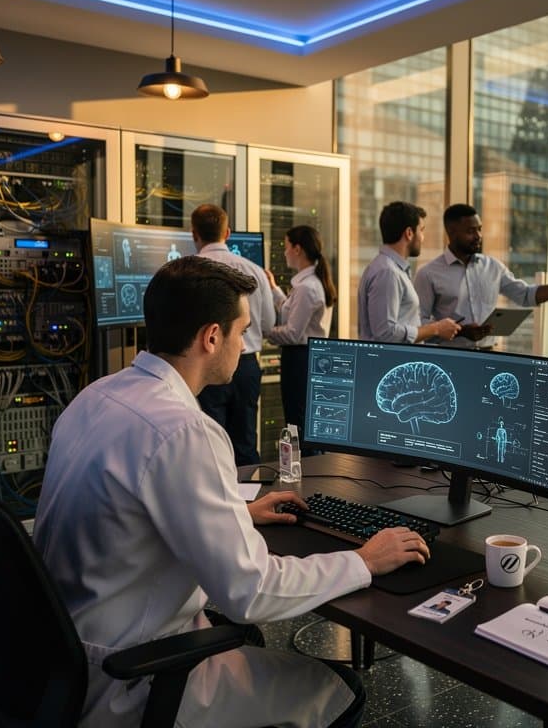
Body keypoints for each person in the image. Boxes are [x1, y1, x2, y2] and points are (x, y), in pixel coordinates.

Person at [34, 255, 430, 728]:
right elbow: (250, 591)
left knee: (246, 641)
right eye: (242, 332)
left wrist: (239, 511)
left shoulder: (97, 395)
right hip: (131, 676)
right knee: (339, 693)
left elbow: (131, 511)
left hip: (59, 657)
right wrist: (364, 560)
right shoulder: (184, 431)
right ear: (211, 337)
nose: (245, 345)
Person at [414, 203, 548, 349]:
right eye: (470, 231)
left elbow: (527, 296)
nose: (478, 236)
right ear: (452, 232)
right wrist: (461, 331)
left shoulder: (493, 267)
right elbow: (418, 325)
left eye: (479, 229)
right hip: (451, 358)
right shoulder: (428, 274)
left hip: (490, 355)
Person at [191, 204, 276, 465]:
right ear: (227, 233)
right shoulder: (255, 271)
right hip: (247, 366)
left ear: (194, 234)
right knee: (245, 445)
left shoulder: (190, 272)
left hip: (206, 365)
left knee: (211, 447)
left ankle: (217, 489)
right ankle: (248, 491)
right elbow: (269, 324)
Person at [265, 225, 334, 442]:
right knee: (303, 422)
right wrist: (273, 288)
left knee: (298, 423)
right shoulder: (309, 284)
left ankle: (306, 463)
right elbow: (292, 311)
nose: (284, 252)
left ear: (297, 249)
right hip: (307, 358)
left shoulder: (307, 287)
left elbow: (293, 333)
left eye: (286, 247)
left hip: (299, 360)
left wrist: (263, 332)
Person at [357, 201, 460, 343]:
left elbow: (402, 324)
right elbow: (386, 334)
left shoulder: (391, 269)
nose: (423, 238)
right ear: (409, 233)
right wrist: (435, 328)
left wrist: (439, 328)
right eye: (421, 230)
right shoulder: (388, 272)